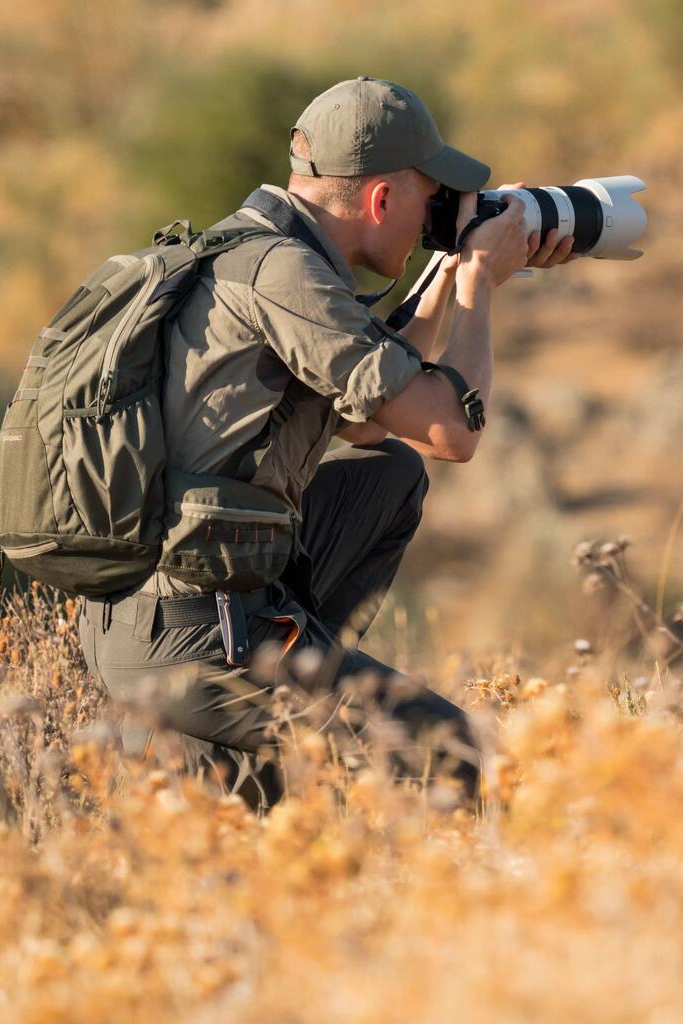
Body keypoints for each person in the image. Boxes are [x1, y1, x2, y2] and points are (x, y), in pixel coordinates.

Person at [78, 76, 575, 809]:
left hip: (148, 618)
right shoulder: (289, 278)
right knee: (460, 756)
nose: (434, 220)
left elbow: (370, 420)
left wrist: (442, 274)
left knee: (386, 473)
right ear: (380, 200)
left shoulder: (255, 251)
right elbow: (452, 431)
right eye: (430, 202)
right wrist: (477, 279)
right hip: (198, 634)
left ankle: (274, 731)